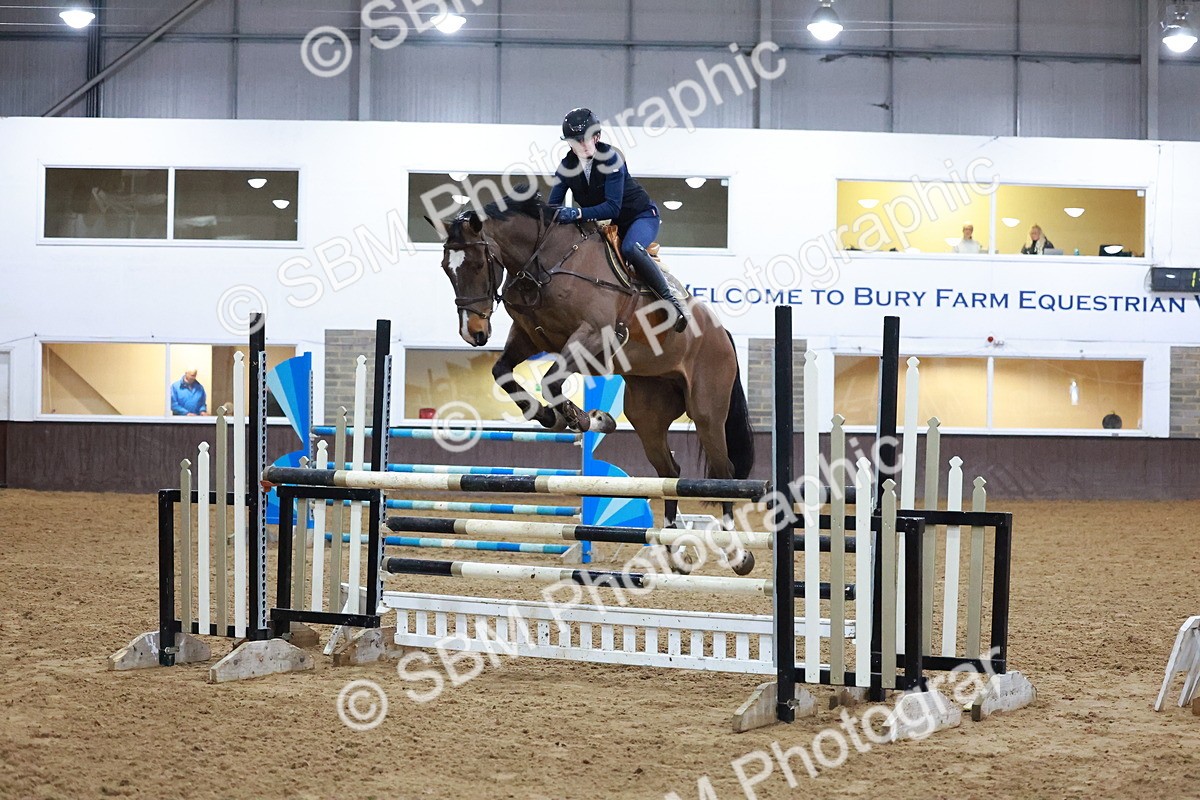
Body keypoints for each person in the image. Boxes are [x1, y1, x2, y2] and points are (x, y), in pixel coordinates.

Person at [547, 108, 689, 332]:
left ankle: (670, 301)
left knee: (631, 248)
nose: (582, 145)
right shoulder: (566, 167)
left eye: (586, 139)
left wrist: (576, 213)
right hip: (604, 226)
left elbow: (612, 207)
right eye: (576, 141)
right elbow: (552, 207)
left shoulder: (611, 158)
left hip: (639, 217)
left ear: (597, 137)